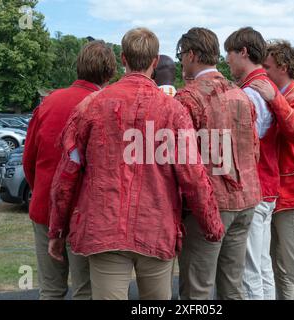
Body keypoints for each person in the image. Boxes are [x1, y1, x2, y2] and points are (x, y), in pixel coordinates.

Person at [47, 27, 224, 300]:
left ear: (123, 58)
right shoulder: (173, 110)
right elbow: (192, 175)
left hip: (106, 227)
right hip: (156, 226)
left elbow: (68, 172)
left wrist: (57, 229)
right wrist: (211, 225)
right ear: (155, 61)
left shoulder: (91, 105)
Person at [23, 40, 117, 300]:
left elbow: (29, 159)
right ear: (110, 72)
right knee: (85, 290)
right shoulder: (107, 105)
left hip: (46, 208)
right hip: (86, 213)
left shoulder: (48, 103)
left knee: (51, 290)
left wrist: (42, 190)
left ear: (78, 67)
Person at [175, 27, 261, 300]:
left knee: (196, 290)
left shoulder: (188, 97)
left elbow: (183, 162)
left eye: (181, 56)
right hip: (246, 200)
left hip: (209, 205)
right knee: (232, 285)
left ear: (191, 55)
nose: (181, 62)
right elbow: (254, 149)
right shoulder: (242, 95)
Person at [248, 40, 294, 300]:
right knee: (280, 269)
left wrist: (274, 98)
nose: (263, 72)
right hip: (281, 196)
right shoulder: (288, 96)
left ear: (283, 67)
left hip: (292, 197)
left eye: (267, 67)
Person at [224, 27, 279, 300]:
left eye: (230, 54)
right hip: (267, 186)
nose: (227, 61)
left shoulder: (252, 90)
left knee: (249, 272)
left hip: (255, 188)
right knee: (262, 267)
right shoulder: (264, 86)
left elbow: (245, 144)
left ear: (243, 52)